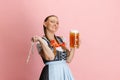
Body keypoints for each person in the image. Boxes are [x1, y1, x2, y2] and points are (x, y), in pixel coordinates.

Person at [32, 15, 75, 80]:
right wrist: (41, 40)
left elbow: (68, 60)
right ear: (45, 24)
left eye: (57, 23)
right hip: (52, 72)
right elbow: (50, 57)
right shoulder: (41, 42)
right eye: (52, 21)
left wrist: (73, 45)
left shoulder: (61, 39)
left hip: (65, 71)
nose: (55, 24)